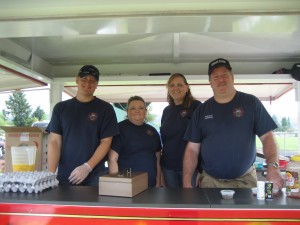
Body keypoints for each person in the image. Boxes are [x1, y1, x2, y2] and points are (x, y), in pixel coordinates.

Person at [183, 58, 284, 190]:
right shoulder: (201, 111)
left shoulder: (251, 103)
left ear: (232, 78)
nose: (221, 80)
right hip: (210, 182)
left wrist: (273, 167)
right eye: (216, 77)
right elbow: (192, 149)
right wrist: (186, 179)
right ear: (210, 82)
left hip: (245, 181)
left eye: (225, 75)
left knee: (247, 212)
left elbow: (268, 137)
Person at [46, 65, 119, 186]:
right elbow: (54, 142)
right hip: (65, 176)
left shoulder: (106, 108)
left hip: (94, 177)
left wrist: (87, 166)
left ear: (96, 84)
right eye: (84, 79)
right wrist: (50, 174)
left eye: (92, 81)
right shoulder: (61, 108)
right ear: (77, 80)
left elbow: (106, 141)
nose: (87, 83)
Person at [108, 96, 162, 187]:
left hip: (151, 185)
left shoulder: (152, 131)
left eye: (141, 108)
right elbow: (112, 159)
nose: (137, 111)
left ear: (146, 111)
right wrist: (117, 184)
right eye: (133, 108)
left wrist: (158, 182)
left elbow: (158, 159)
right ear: (127, 111)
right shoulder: (119, 129)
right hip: (127, 185)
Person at [160, 73, 202, 187]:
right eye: (172, 85)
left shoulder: (196, 106)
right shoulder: (166, 111)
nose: (175, 88)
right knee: (173, 202)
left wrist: (202, 170)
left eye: (179, 84)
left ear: (187, 87)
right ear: (168, 89)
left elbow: (204, 138)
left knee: (191, 202)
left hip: (190, 168)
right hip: (168, 167)